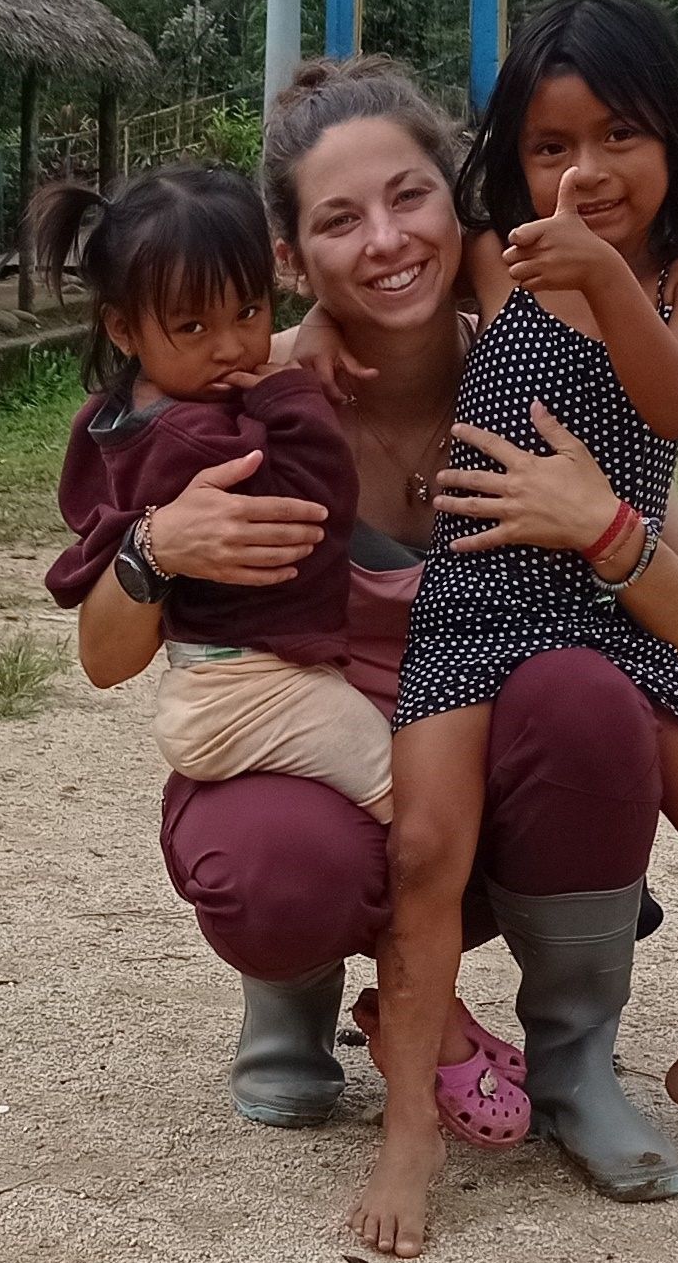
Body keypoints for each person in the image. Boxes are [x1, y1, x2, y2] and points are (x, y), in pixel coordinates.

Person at [68, 57, 678, 1230]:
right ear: (289, 256)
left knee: (584, 696)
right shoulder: (235, 396)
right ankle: (295, 995)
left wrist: (604, 530)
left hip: (477, 790)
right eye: (337, 219)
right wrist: (154, 547)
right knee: (281, 856)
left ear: (462, 206)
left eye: (409, 197)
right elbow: (106, 655)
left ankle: (574, 1061)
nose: (383, 240)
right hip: (329, 789)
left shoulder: (551, 375)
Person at [39, 165, 530, 1144]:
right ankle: (404, 1019)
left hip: (284, 689)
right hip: (249, 691)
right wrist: (154, 547)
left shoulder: (156, 408)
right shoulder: (205, 431)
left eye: (246, 312)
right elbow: (102, 658)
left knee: (483, 776)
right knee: (411, 810)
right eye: (192, 327)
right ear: (126, 330)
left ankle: (519, 1015)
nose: (228, 346)